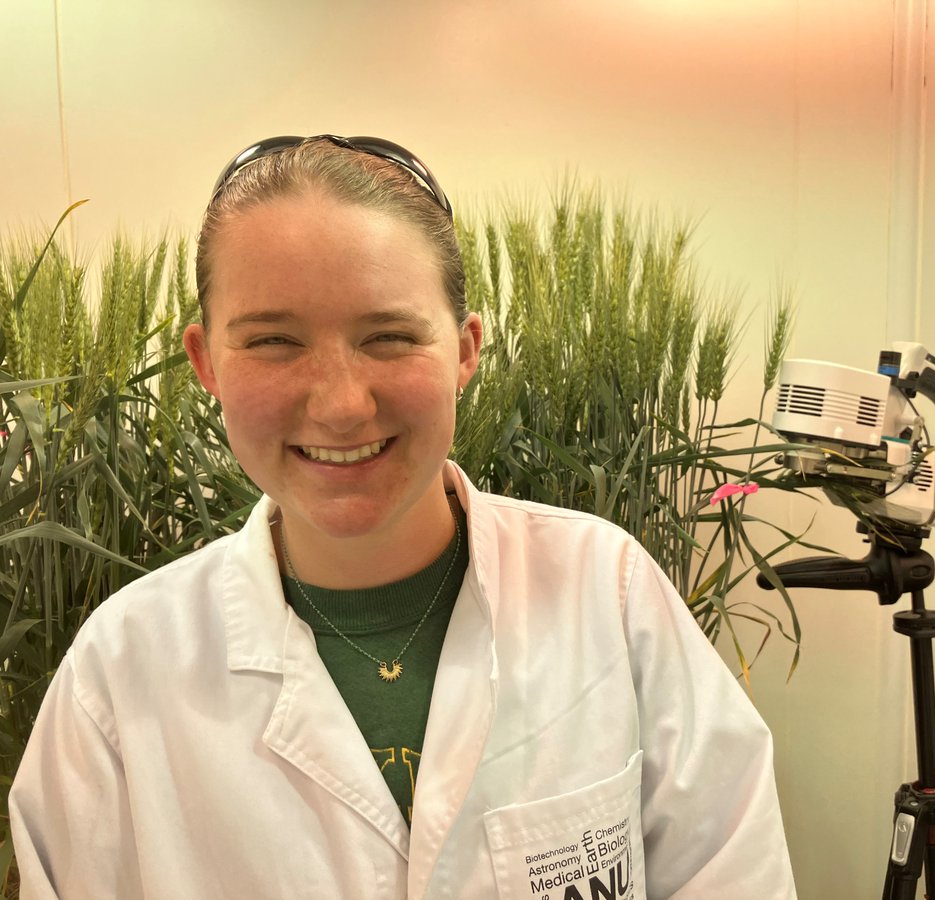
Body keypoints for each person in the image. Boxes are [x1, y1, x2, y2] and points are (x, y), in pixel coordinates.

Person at [10, 134, 797, 899]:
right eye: (274, 342)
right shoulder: (119, 675)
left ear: (464, 350)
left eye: (389, 336)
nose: (343, 404)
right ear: (206, 361)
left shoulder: (608, 593)